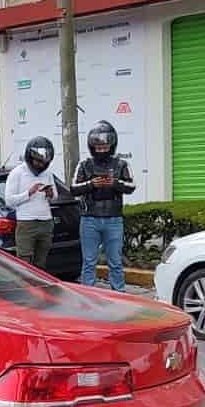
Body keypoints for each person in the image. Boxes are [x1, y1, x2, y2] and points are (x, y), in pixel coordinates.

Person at [71, 121, 135, 291]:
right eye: (97, 147)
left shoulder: (121, 164)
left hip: (114, 219)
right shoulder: (84, 165)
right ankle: (88, 295)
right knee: (89, 262)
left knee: (115, 261)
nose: (101, 150)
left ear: (111, 145)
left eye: (105, 146)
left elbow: (131, 187)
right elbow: (74, 189)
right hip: (89, 219)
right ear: (92, 146)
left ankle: (119, 294)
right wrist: (92, 184)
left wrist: (114, 183)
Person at [5, 136, 57, 271]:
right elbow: (9, 201)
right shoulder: (17, 173)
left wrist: (50, 194)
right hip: (26, 223)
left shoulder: (48, 173)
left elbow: (55, 197)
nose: (40, 165)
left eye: (44, 162)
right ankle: (26, 289)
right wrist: (29, 193)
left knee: (41, 262)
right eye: (37, 162)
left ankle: (39, 289)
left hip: (46, 221)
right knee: (25, 262)